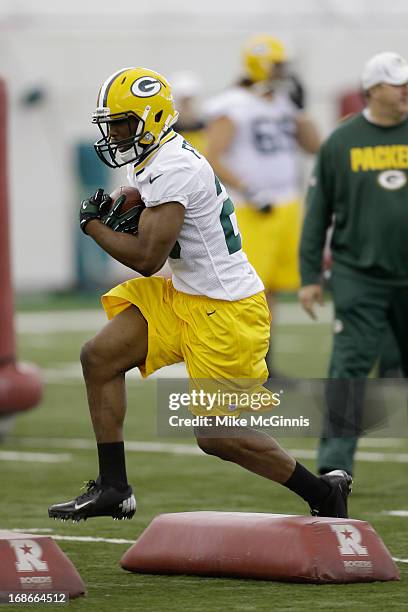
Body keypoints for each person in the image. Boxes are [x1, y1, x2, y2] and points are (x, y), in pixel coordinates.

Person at [48, 66, 351, 522]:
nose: (113, 132)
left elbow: (148, 258)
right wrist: (132, 201)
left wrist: (92, 226)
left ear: (150, 118)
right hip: (187, 296)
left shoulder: (172, 167)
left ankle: (323, 492)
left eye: (121, 121)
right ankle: (114, 487)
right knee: (100, 357)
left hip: (225, 312)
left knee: (216, 437)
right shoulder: (158, 154)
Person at [299, 51, 408, 476]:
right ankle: (333, 467)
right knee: (349, 369)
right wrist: (310, 276)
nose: (404, 91)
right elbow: (317, 212)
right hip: (358, 276)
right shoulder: (341, 142)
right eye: (397, 84)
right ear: (372, 90)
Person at [205, 34, 320, 379]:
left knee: (271, 291)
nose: (284, 72)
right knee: (249, 290)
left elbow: (315, 147)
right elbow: (212, 157)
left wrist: (301, 110)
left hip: (285, 205)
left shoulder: (284, 101)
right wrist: (250, 190)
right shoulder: (231, 104)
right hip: (251, 208)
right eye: (279, 64)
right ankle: (244, 365)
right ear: (261, 63)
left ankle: (265, 363)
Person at [170, 70, 207, 155]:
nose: (188, 107)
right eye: (183, 102)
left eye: (191, 101)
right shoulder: (165, 137)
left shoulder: (209, 132)